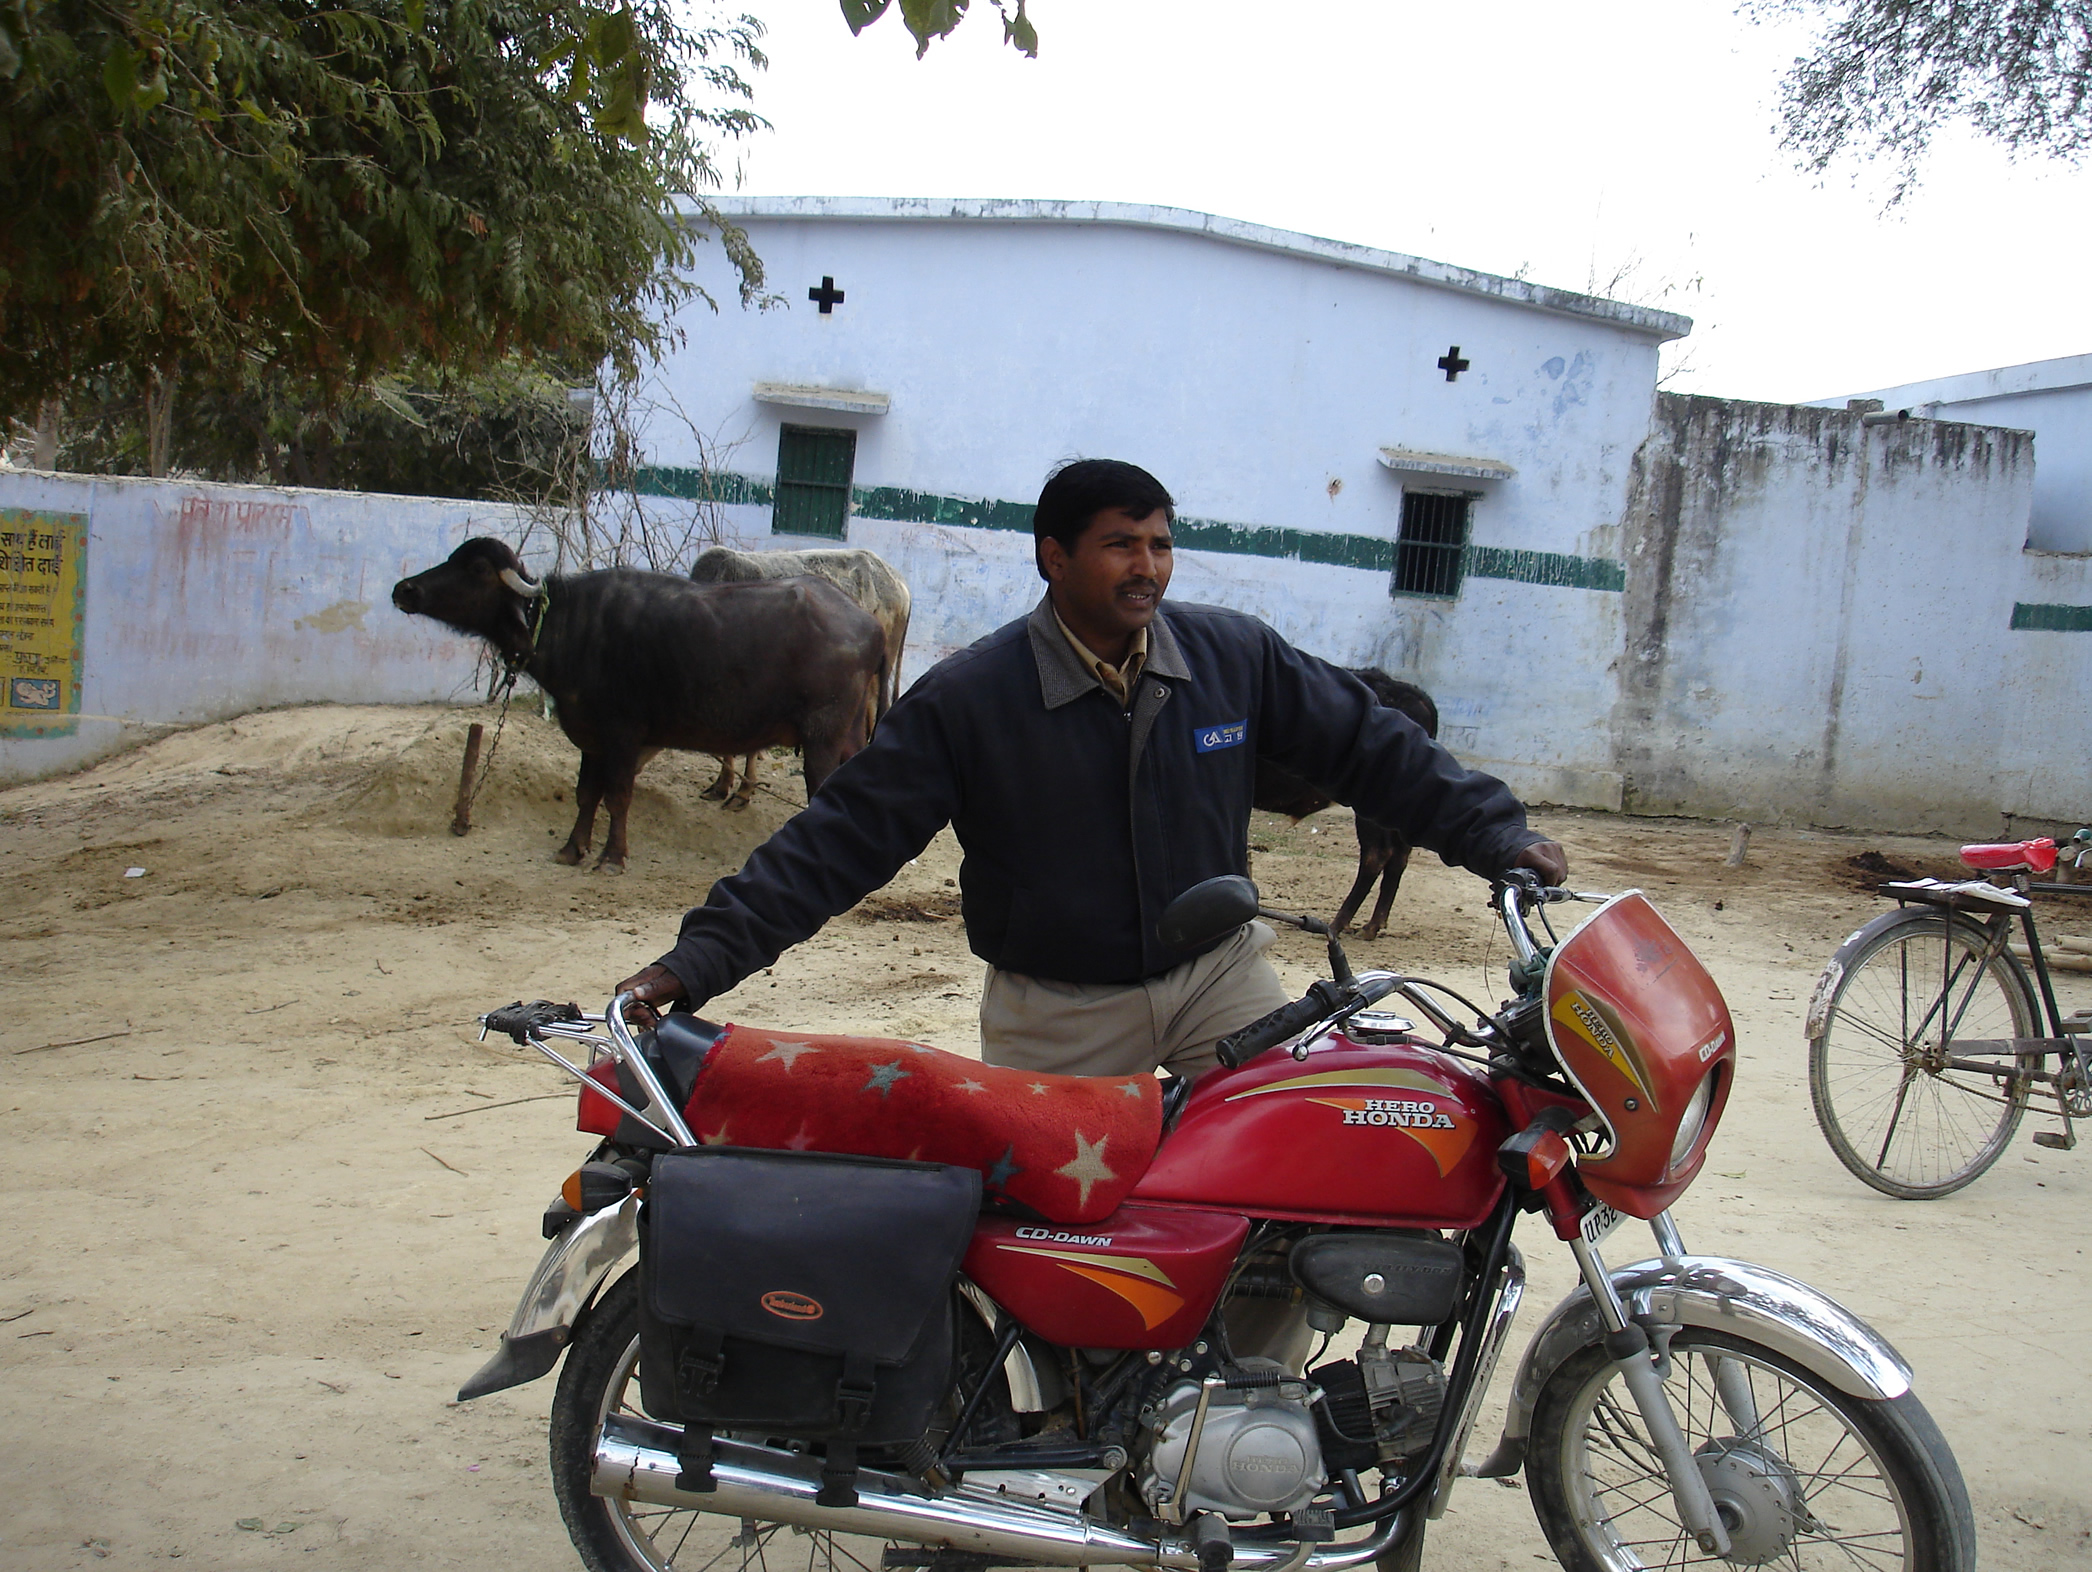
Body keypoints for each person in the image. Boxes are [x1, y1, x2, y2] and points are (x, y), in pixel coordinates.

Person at [617, 459, 1566, 1076]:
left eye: (1159, 543)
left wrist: (1497, 833)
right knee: (1054, 1260)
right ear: (1054, 558)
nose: (1147, 566)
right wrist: (695, 963)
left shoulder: (1232, 658)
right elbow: (838, 841)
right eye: (1120, 544)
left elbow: (1372, 743)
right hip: (1057, 1009)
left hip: (1219, 981)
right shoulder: (971, 699)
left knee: (1282, 1205)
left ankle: (1236, 1391)